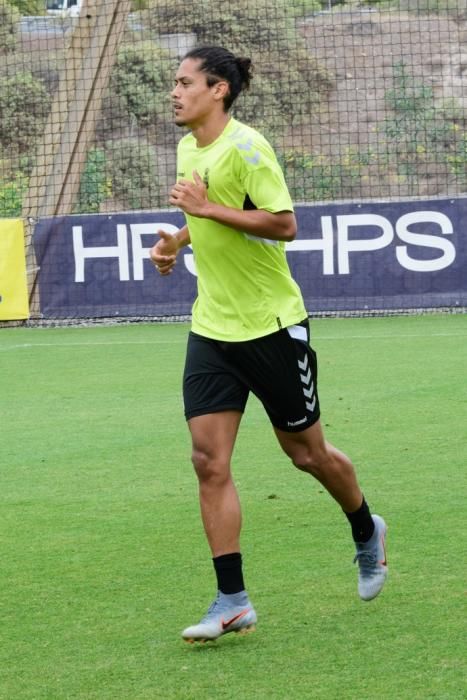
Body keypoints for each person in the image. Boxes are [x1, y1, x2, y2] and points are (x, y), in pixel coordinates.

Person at [150, 46, 388, 643]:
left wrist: (206, 208)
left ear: (218, 90)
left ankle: (365, 528)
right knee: (208, 461)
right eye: (174, 83)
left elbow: (283, 223)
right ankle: (232, 600)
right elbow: (207, 217)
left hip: (273, 327)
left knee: (307, 455)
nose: (174, 92)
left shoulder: (249, 147)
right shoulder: (188, 147)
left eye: (185, 83)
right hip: (213, 329)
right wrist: (178, 240)